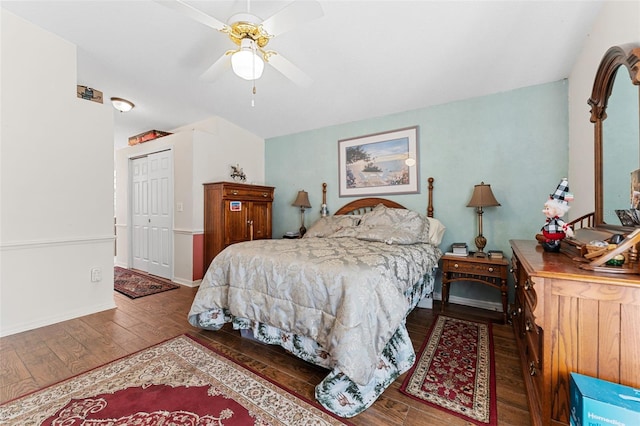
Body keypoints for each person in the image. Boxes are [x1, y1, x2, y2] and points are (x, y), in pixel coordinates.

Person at [540, 178, 574, 252]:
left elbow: (564, 226)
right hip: (549, 237)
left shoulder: (558, 220)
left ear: (557, 210)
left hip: (555, 237)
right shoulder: (550, 220)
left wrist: (567, 230)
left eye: (548, 208)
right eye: (546, 208)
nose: (545, 211)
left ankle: (554, 244)